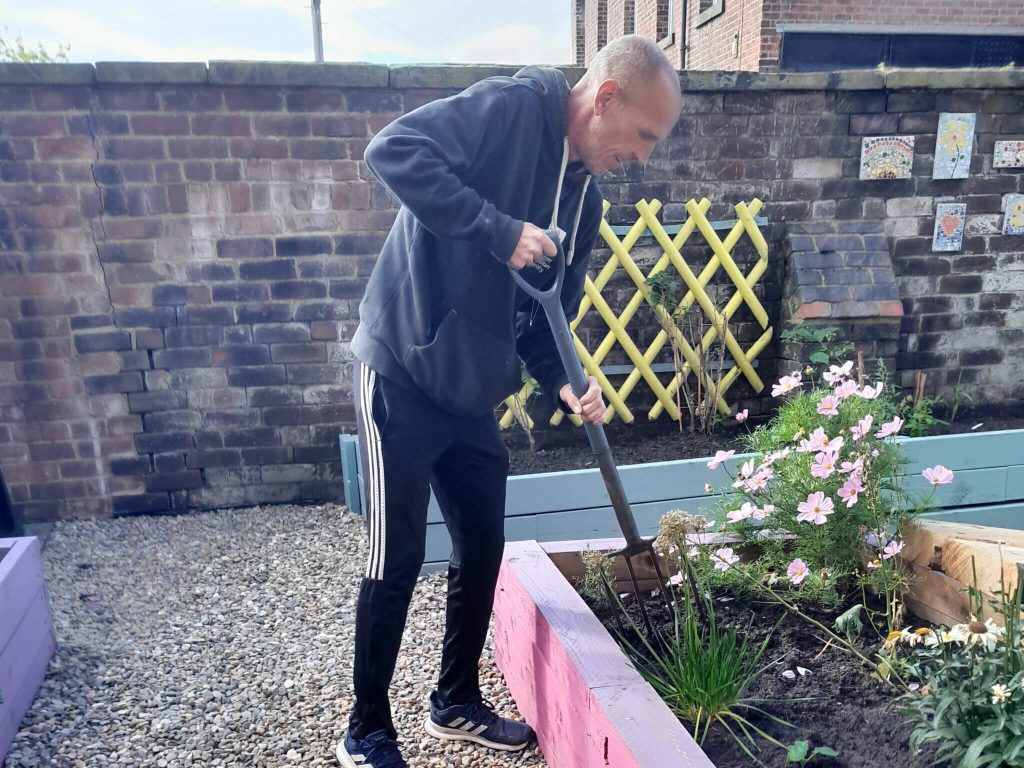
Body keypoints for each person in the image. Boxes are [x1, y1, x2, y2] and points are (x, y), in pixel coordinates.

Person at [337, 34, 683, 768]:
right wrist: (497, 230)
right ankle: (365, 730)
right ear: (607, 98)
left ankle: (454, 701)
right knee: (394, 557)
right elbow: (393, 151)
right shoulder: (514, 108)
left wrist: (565, 379)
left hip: (470, 392)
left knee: (483, 546)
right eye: (644, 136)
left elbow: (543, 316)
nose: (644, 156)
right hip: (401, 364)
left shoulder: (584, 201)